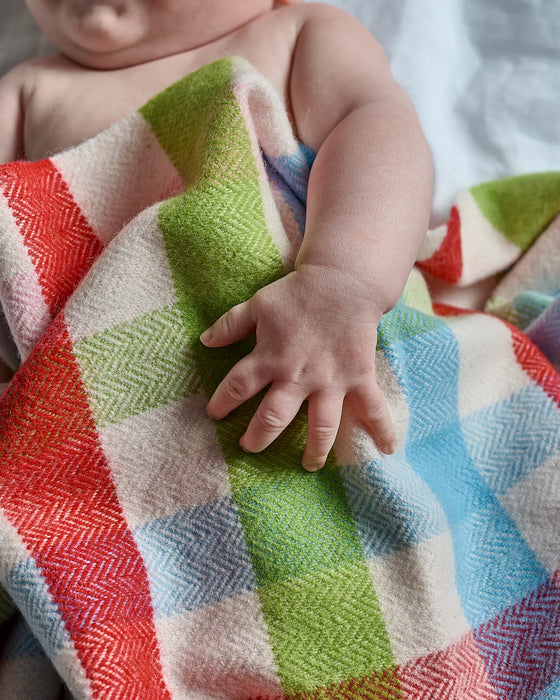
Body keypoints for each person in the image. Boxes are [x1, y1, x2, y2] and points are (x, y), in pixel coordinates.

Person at [0, 0, 433, 471]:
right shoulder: (30, 88)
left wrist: (344, 281)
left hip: (328, 351)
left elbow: (377, 127)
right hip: (94, 432)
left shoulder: (293, 32)